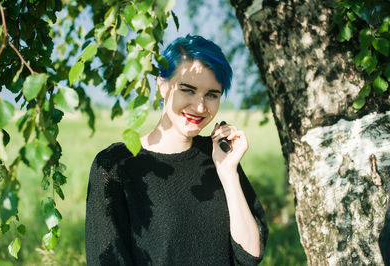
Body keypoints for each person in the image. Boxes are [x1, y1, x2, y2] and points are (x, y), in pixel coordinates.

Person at [85, 34, 268, 265]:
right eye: (188, 89)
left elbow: (250, 254)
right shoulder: (115, 165)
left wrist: (228, 173)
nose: (200, 106)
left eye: (212, 94)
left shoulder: (218, 157)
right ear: (162, 85)